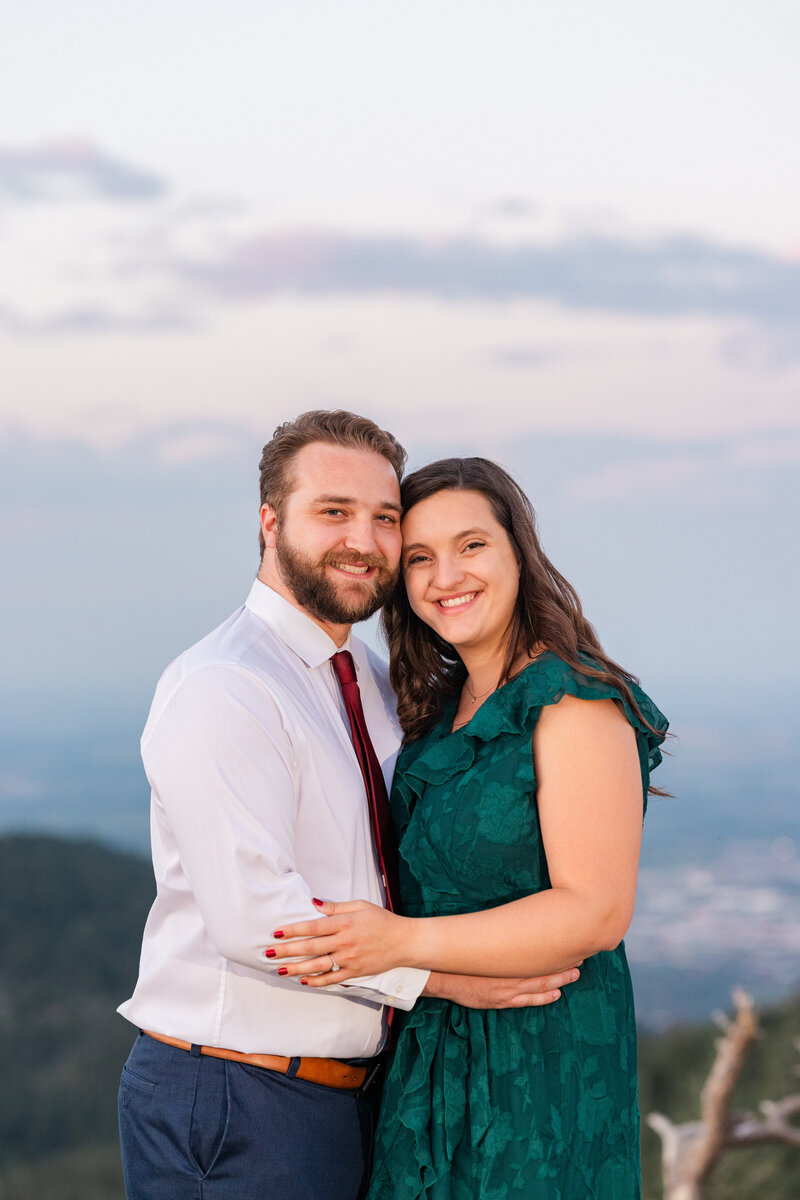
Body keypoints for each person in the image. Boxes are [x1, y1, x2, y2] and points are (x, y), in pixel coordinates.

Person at [117, 414, 579, 1200]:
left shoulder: (361, 672)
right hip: (237, 1093)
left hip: (345, 1094)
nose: (363, 540)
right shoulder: (225, 686)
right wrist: (441, 975)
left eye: (385, 518)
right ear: (270, 522)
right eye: (333, 511)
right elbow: (259, 921)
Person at [267, 456, 669, 1199]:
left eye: (472, 545)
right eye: (419, 558)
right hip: (429, 1052)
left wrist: (402, 944)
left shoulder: (572, 702)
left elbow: (598, 910)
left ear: (520, 550)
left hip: (542, 1060)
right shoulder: (433, 708)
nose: (446, 575)